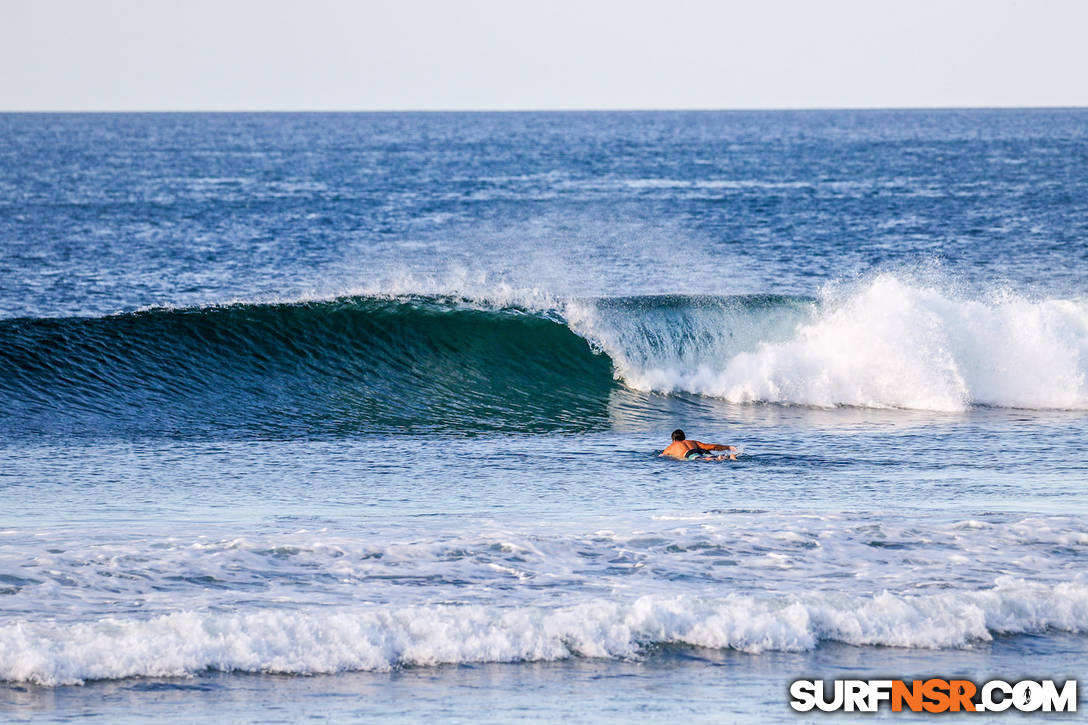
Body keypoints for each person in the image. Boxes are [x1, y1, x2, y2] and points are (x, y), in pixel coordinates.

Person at [660, 429, 738, 461]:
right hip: (701, 450)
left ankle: (718, 458)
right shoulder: (692, 442)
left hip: (689, 454)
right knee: (709, 456)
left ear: (673, 440)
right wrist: (728, 447)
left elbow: (661, 456)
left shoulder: (671, 446)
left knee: (703, 459)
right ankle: (728, 456)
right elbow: (712, 447)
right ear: (684, 437)